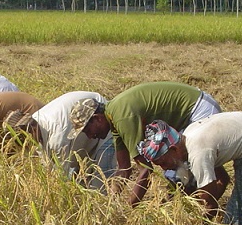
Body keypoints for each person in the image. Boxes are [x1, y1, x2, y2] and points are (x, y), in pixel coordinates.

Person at [68, 81, 221, 205]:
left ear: (97, 118)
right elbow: (124, 169)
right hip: (191, 113)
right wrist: (111, 201)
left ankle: (204, 214)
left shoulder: (122, 118)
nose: (90, 136)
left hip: (199, 110)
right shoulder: (113, 118)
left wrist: (129, 207)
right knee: (180, 175)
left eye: (87, 130)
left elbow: (145, 170)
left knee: (180, 174)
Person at [3, 91, 117, 192]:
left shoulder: (56, 136)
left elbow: (62, 179)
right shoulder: (35, 125)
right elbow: (49, 167)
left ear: (31, 130)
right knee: (83, 179)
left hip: (100, 120)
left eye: (25, 141)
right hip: (85, 132)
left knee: (100, 183)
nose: (27, 146)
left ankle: (110, 208)